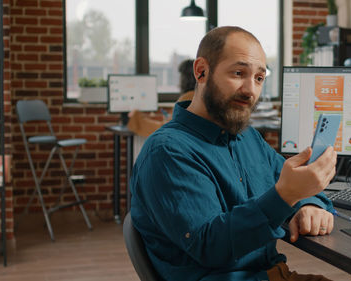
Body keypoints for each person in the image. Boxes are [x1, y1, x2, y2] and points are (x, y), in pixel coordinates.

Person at [130, 26, 337, 281]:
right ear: (201, 71)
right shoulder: (167, 153)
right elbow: (210, 247)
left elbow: (292, 180)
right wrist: (288, 195)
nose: (250, 90)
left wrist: (309, 204)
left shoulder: (247, 137)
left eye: (259, 78)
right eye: (239, 73)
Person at [127, 59, 196, 137]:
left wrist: (136, 117)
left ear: (185, 78)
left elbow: (165, 129)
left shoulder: (186, 99)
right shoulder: (197, 97)